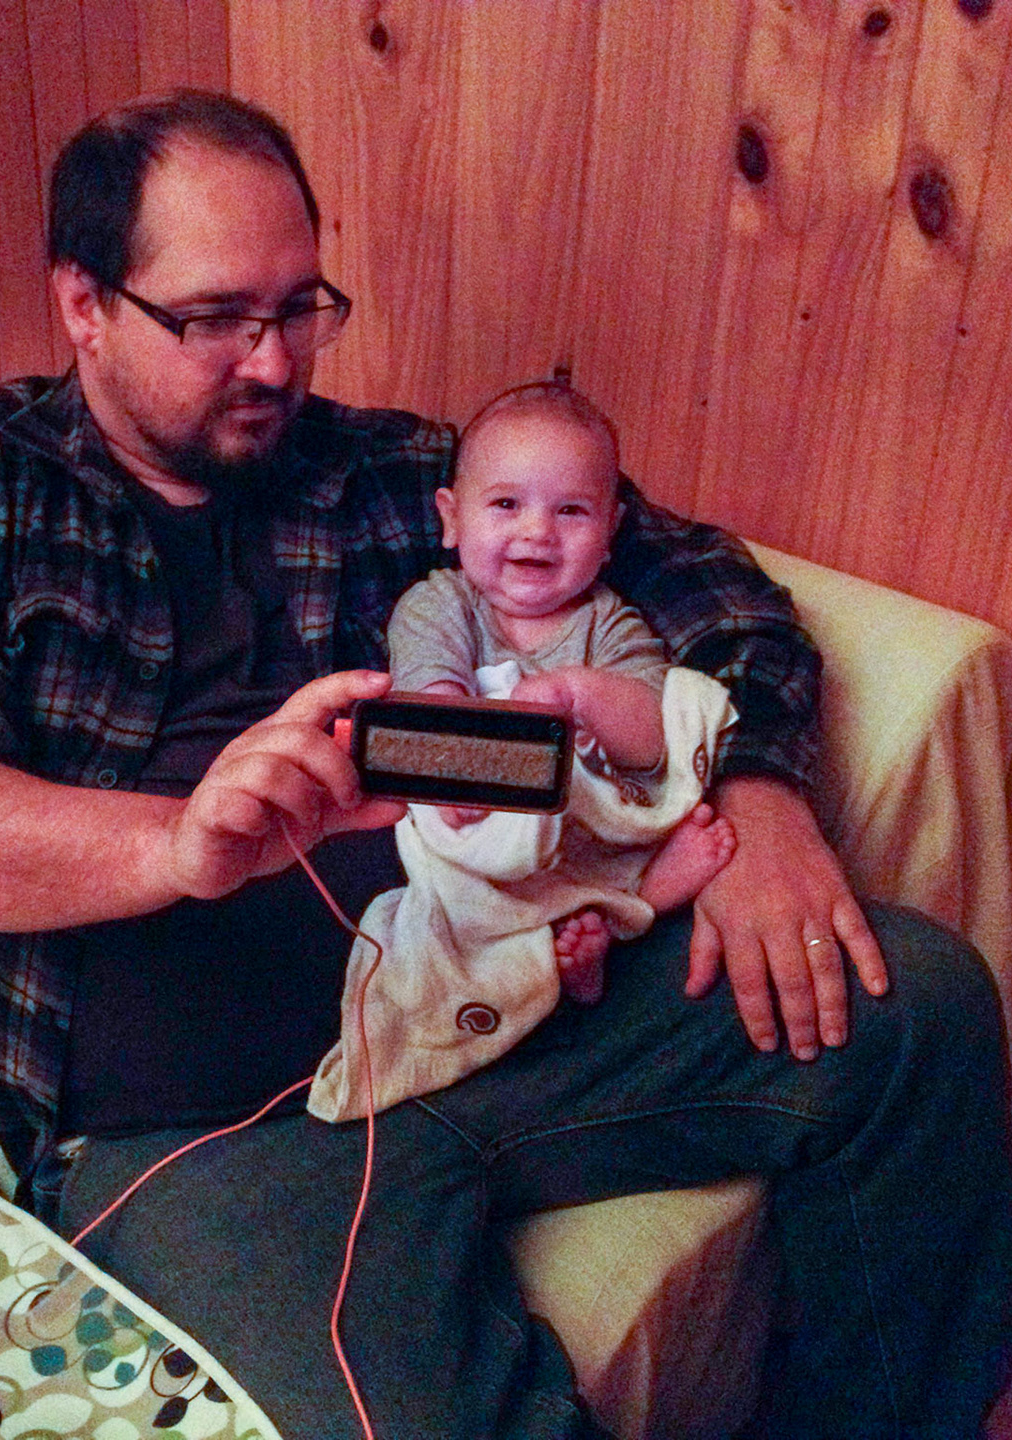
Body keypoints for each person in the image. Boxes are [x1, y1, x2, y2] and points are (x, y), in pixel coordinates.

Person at [0, 88, 1012, 1439]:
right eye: (216, 317)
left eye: (299, 307)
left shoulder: (380, 471)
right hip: (205, 1131)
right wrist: (176, 843)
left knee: (918, 1005)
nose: (272, 362)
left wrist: (761, 796)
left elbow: (706, 581)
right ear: (85, 302)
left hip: (508, 999)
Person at [308, 379, 741, 1123]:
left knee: (655, 788)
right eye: (506, 504)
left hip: (579, 832)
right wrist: (472, 765)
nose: (537, 532)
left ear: (611, 530)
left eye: (571, 511)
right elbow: (433, 706)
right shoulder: (439, 604)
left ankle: (624, 910)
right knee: (449, 891)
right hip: (477, 817)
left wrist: (575, 694)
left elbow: (654, 741)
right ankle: (580, 943)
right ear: (452, 519)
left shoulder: (611, 624)